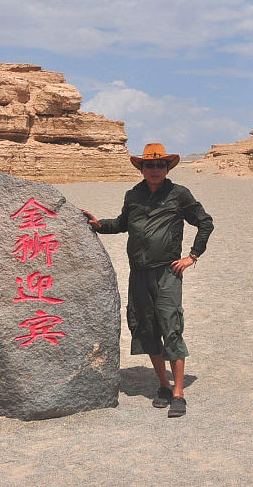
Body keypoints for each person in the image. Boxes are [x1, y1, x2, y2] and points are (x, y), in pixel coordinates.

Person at [83, 143, 214, 419]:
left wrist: (192, 256)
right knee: (147, 328)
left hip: (167, 272)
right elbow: (123, 223)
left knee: (171, 326)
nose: (155, 169)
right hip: (139, 274)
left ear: (167, 168)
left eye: (160, 165)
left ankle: (179, 393)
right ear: (141, 168)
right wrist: (99, 225)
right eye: (149, 165)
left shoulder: (179, 194)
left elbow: (205, 222)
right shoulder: (134, 195)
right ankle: (164, 386)